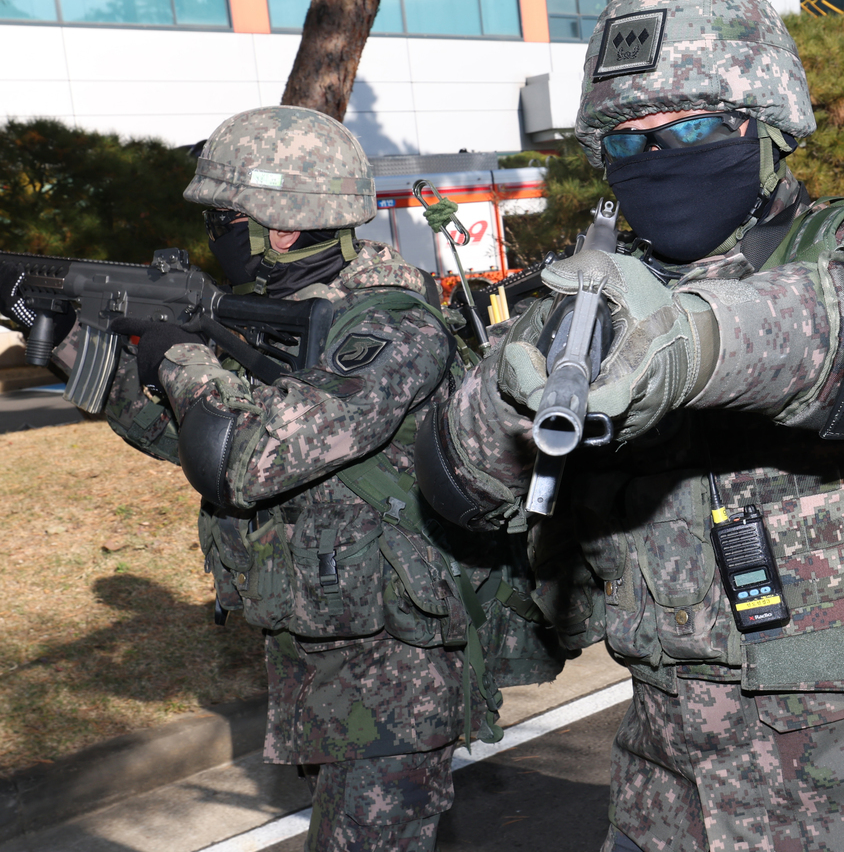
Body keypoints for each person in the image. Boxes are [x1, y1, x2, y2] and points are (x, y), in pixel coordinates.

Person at [412, 0, 844, 852]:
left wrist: (692, 341)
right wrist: (512, 387)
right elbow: (457, 481)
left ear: (766, 127)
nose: (661, 158)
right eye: (627, 142)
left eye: (691, 129)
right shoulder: (583, 301)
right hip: (669, 801)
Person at [88, 106, 556, 852]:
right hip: (320, 663)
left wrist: (180, 357)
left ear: (281, 227)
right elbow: (202, 450)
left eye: (225, 216)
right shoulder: (288, 319)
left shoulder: (391, 330)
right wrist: (94, 363)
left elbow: (249, 454)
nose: (217, 235)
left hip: (395, 677)